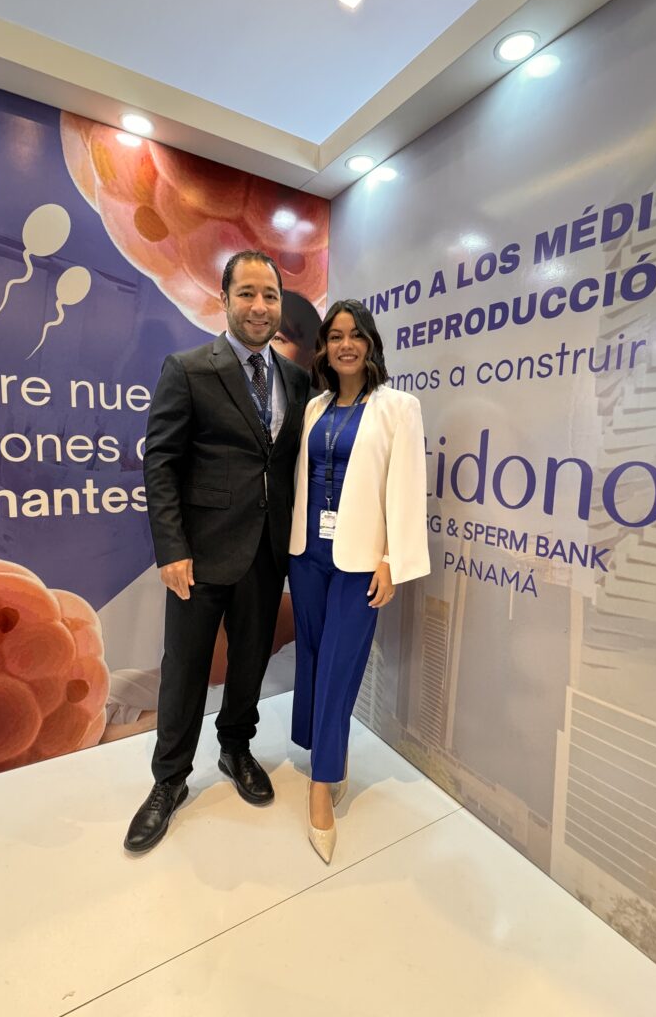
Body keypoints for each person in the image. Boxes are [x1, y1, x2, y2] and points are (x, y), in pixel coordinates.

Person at [124, 250, 310, 853]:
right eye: (247, 293)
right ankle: (169, 781)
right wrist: (171, 548)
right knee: (185, 668)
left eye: (270, 295)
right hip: (199, 556)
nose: (260, 306)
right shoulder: (187, 369)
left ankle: (236, 748)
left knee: (249, 661)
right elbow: (161, 462)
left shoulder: (297, 380)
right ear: (224, 300)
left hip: (267, 551)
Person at [288, 299, 430, 863]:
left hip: (360, 559)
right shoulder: (314, 407)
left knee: (340, 665)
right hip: (308, 553)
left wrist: (391, 558)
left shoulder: (399, 407)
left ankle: (320, 784)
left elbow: (407, 486)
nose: (345, 345)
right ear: (324, 348)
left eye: (355, 335)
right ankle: (330, 751)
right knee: (313, 658)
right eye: (335, 336)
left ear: (370, 343)